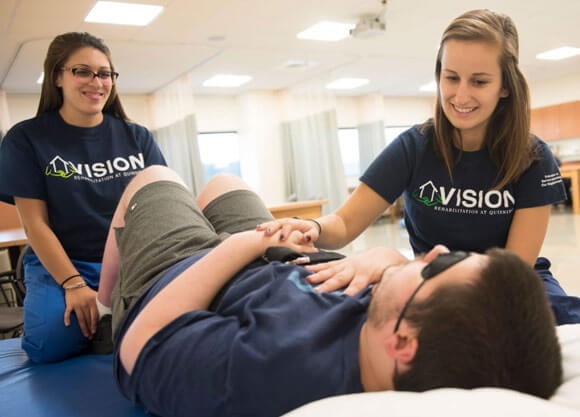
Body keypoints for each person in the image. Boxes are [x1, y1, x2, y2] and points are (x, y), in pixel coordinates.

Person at [98, 165, 561, 417]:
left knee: (152, 177)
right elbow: (405, 276)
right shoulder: (410, 334)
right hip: (276, 258)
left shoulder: (268, 371)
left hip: (186, 274)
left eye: (440, 265)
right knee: (224, 182)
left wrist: (247, 245)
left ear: (402, 343)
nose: (436, 249)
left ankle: (101, 307)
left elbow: (141, 344)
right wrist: (385, 260)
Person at [258, 9, 580, 325]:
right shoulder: (414, 147)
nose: (460, 95)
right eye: (451, 77)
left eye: (479, 81)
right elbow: (344, 223)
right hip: (431, 278)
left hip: (510, 281)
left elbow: (515, 268)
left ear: (505, 86)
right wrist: (312, 227)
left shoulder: (533, 158)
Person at [0, 32, 166, 363]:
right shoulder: (27, 138)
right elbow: (34, 225)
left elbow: (160, 206)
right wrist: (74, 284)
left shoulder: (137, 138)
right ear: (57, 77)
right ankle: (111, 319)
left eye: (105, 73)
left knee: (176, 320)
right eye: (82, 71)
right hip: (65, 263)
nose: (97, 82)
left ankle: (111, 318)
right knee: (48, 345)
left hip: (128, 260)